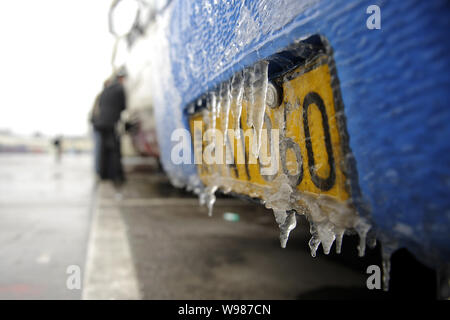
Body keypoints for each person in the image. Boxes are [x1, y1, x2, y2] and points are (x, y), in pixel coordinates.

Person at [91, 69, 127, 185]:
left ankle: (103, 174)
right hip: (111, 123)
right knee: (114, 150)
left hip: (100, 123)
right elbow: (123, 107)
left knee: (103, 150)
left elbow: (100, 106)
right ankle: (116, 175)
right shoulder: (120, 89)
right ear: (121, 79)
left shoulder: (105, 91)